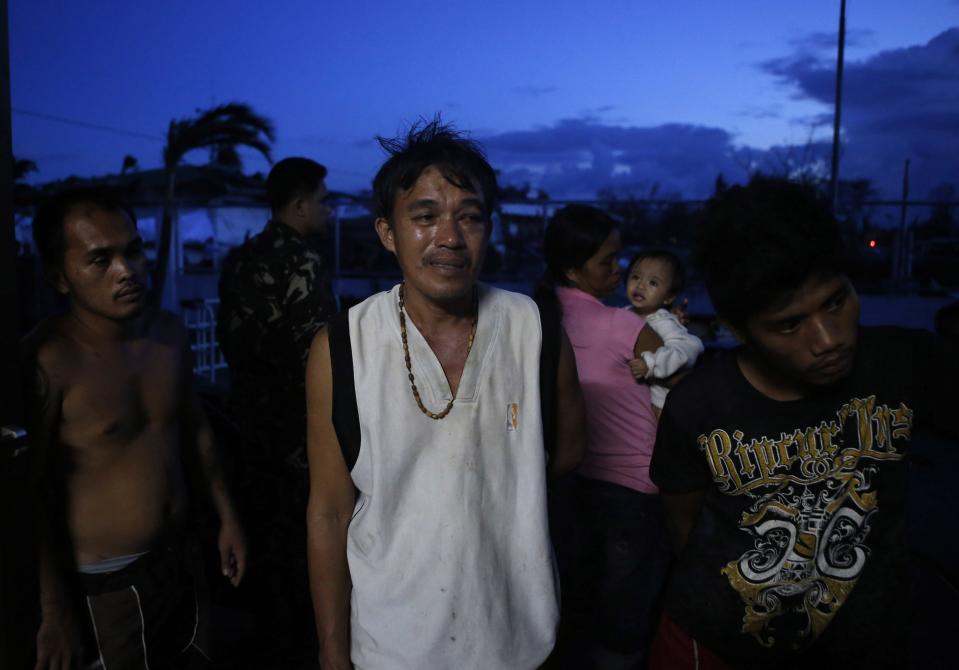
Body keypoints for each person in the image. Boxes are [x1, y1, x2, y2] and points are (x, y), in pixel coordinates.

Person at [306, 119, 586, 669]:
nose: (450, 238)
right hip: (391, 648)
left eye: (470, 217)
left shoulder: (535, 330)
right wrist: (332, 652)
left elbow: (569, 453)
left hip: (519, 642)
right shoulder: (343, 345)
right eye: (425, 216)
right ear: (388, 232)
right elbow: (330, 511)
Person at [649, 176, 959, 669]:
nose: (828, 338)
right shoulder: (699, 405)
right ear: (736, 327)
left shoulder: (906, 362)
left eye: (836, 301)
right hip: (718, 643)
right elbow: (682, 526)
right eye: (789, 324)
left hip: (868, 643)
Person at [22, 188, 247, 669]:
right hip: (102, 583)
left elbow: (194, 426)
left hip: (181, 561)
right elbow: (27, 491)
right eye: (100, 260)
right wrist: (52, 608)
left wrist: (227, 517)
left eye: (132, 250)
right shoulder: (47, 361)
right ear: (59, 277)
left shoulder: (167, 333)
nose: (126, 270)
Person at [538, 205, 672, 668]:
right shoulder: (627, 327)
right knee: (622, 624)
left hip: (564, 485)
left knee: (573, 607)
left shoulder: (536, 322)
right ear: (574, 269)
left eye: (620, 258)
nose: (620, 271)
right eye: (607, 261)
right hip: (633, 492)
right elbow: (680, 400)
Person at [216, 156, 336, 660]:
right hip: (294, 428)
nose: (328, 212)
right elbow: (316, 352)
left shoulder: (241, 258)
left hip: (247, 419)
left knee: (260, 539)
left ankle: (269, 642)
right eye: (324, 201)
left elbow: (231, 342)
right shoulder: (302, 261)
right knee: (301, 547)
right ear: (301, 205)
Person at [624, 249, 703, 414]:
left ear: (669, 297)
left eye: (653, 282)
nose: (640, 285)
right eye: (636, 277)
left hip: (659, 403)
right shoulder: (622, 314)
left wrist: (652, 364)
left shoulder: (663, 321)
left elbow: (688, 347)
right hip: (631, 397)